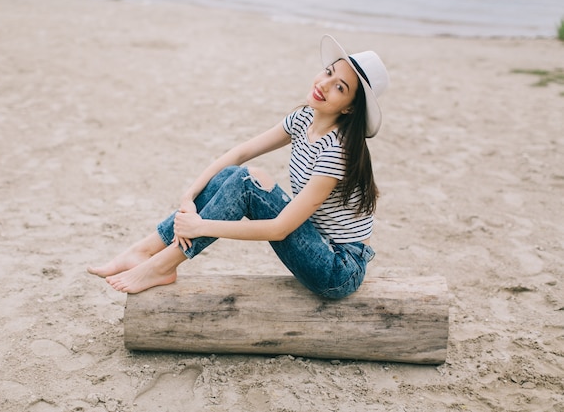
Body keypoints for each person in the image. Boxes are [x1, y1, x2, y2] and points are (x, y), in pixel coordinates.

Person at [88, 34, 390, 299]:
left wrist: (201, 226)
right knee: (235, 175)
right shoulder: (303, 120)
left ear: (350, 106)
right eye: (328, 72)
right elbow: (241, 152)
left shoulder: (337, 152)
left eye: (339, 87)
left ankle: (161, 266)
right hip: (315, 241)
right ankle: (145, 250)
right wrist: (188, 197)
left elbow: (280, 228)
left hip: (337, 269)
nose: (323, 85)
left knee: (247, 183)